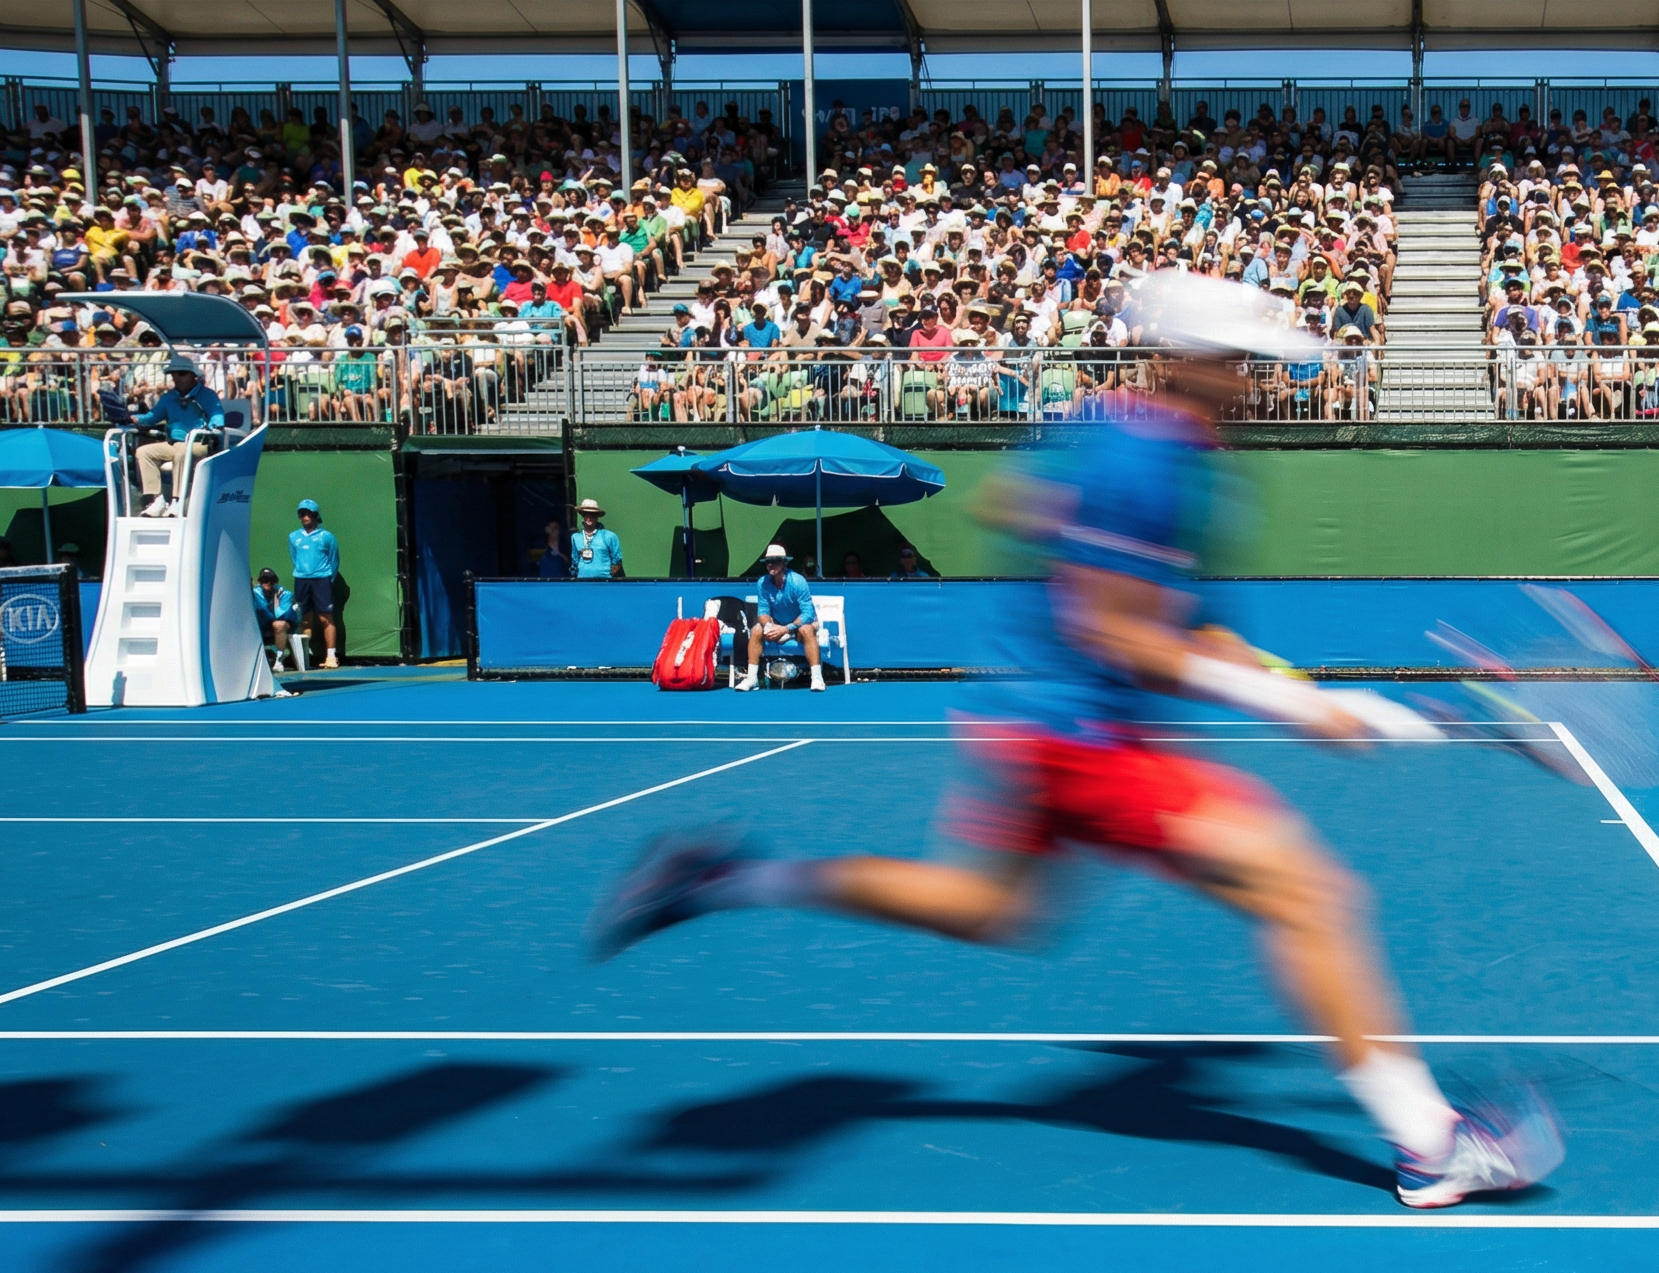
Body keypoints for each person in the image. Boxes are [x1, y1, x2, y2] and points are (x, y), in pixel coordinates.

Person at [592, 273, 1561, 1210]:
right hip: (1083, 737)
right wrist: (1291, 712)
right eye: (1240, 362)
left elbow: (1157, 612)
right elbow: (1115, 630)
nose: (1255, 380)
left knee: (988, 910)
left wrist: (1278, 681)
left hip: (1038, 723)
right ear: (1190, 363)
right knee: (1310, 895)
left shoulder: (1140, 441)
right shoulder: (1150, 458)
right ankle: (1433, 1148)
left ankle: (723, 881)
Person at [131, 355, 224, 516]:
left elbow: (217, 416)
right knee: (143, 452)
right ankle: (158, 500)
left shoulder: (207, 395)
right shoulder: (168, 397)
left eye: (182, 373)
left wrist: (216, 426)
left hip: (199, 444)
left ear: (193, 376)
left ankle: (178, 502)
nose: (176, 377)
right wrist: (134, 419)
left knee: (182, 451)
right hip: (173, 444)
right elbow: (152, 417)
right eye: (174, 373)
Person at [735, 542, 823, 692]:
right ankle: (752, 679)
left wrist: (786, 629)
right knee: (756, 629)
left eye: (775, 561)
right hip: (778, 625)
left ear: (784, 563)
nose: (770, 565)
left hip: (799, 626)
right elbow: (762, 612)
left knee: (807, 630)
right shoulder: (762, 583)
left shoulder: (798, 581)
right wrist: (769, 627)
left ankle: (817, 678)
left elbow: (808, 614)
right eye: (768, 562)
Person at [288, 500, 341, 668]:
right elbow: (294, 558)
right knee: (304, 619)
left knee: (326, 618)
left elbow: (334, 560)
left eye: (308, 513)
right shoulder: (293, 537)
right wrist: (303, 573)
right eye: (302, 514)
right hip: (301, 580)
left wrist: (326, 579)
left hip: (322, 580)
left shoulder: (327, 537)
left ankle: (331, 656)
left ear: (316, 516)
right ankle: (304, 659)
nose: (305, 517)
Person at [251, 567, 296, 668]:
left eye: (271, 580)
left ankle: (279, 661)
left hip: (283, 625)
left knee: (278, 625)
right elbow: (260, 610)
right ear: (260, 581)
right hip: (262, 625)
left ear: (275, 581)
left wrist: (276, 605)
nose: (268, 583)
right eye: (264, 580)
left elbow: (282, 616)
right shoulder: (254, 593)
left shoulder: (285, 594)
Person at [571, 498, 624, 579]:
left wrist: (605, 575)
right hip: (582, 581)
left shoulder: (609, 536)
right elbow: (575, 560)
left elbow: (617, 560)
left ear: (597, 516)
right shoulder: (575, 537)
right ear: (582, 515)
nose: (589, 517)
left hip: (603, 582)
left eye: (593, 514)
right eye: (586, 514)